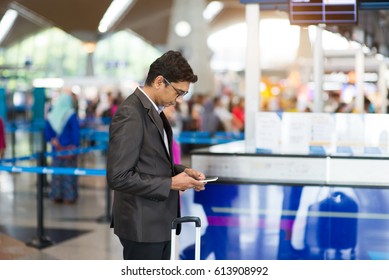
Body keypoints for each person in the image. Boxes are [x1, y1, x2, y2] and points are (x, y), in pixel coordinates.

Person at [106, 50, 207, 260]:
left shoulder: (154, 111)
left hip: (159, 223)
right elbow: (118, 176)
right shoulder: (131, 113)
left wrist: (183, 172)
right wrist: (170, 184)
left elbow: (152, 161)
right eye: (178, 92)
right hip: (142, 226)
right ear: (160, 81)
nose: (179, 100)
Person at [45, 92, 80, 204]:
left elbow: (47, 133)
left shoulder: (51, 115)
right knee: (69, 174)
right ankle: (69, 197)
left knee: (56, 174)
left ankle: (56, 195)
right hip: (69, 150)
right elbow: (75, 132)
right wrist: (76, 146)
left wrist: (52, 140)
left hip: (56, 150)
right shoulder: (71, 114)